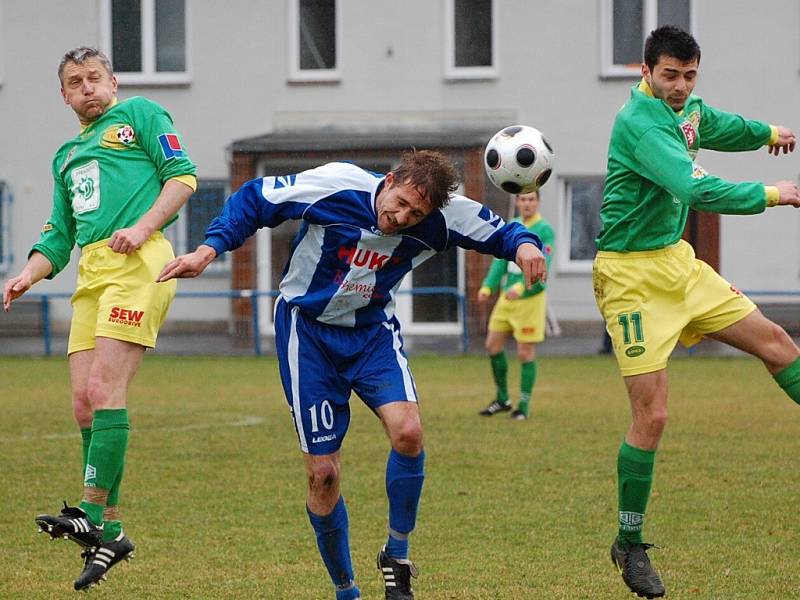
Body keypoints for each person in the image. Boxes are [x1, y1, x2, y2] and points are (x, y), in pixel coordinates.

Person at [157, 150, 546, 600]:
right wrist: (209, 250)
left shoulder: (444, 216)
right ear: (391, 178)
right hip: (308, 334)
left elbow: (502, 232)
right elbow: (254, 198)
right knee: (323, 475)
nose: (400, 217)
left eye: (414, 213)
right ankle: (346, 589)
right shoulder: (337, 185)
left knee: (409, 432)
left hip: (371, 334)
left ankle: (396, 554)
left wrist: (526, 247)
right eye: (399, 202)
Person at [593, 26, 800, 599]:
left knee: (778, 344)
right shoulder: (639, 124)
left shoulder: (685, 107)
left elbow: (715, 123)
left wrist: (767, 133)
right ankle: (628, 542)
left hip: (677, 265)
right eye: (670, 75)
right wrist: (772, 193)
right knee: (653, 416)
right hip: (630, 278)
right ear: (645, 71)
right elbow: (696, 188)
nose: (681, 87)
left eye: (689, 76)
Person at [2, 47, 196, 590]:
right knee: (84, 404)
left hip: (139, 260)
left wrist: (141, 227)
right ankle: (110, 531)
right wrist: (27, 274)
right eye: (74, 82)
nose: (86, 87)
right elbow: (58, 236)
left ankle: (89, 509)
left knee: (105, 389)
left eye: (94, 77)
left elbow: (182, 178)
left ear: (113, 81)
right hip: (90, 272)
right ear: (63, 95)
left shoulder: (140, 116)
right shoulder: (66, 155)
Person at [477, 191, 554, 420]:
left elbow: (544, 262)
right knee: (492, 346)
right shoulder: (512, 225)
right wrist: (488, 286)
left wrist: (521, 287)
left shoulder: (545, 230)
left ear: (538, 202)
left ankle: (523, 406)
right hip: (506, 299)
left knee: (524, 352)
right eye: (523, 199)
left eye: (531, 199)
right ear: (517, 202)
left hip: (530, 299)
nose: (527, 203)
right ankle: (502, 399)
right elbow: (500, 260)